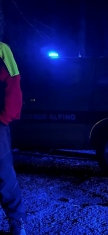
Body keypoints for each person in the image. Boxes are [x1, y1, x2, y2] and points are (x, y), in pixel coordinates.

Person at [0, 42, 27, 235]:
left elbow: (13, 81)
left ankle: (16, 222)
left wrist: (4, 117)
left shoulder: (1, 50)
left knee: (3, 174)